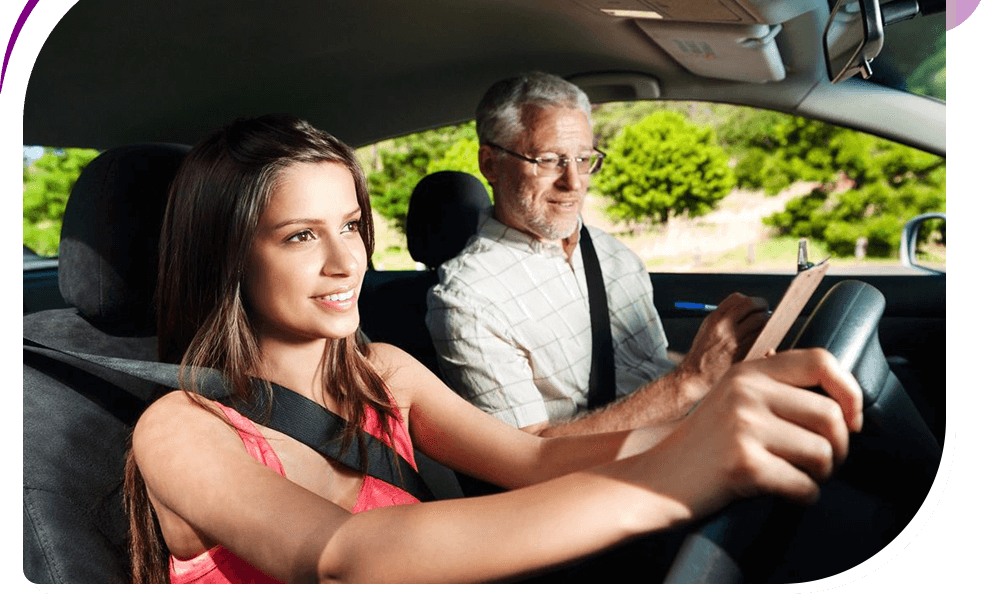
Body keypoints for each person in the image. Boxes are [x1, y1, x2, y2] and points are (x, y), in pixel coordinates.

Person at [125, 113, 862, 584]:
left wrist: (714, 423)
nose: (346, 261)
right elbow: (344, 559)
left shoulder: (383, 373)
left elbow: (533, 460)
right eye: (298, 236)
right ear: (227, 260)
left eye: (349, 226)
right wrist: (671, 475)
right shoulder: (183, 429)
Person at [427, 72, 770, 437]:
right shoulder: (469, 301)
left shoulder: (613, 255)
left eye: (583, 158)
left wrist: (724, 365)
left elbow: (644, 368)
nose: (573, 182)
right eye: (548, 160)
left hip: (694, 438)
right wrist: (690, 380)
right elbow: (527, 454)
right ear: (490, 164)